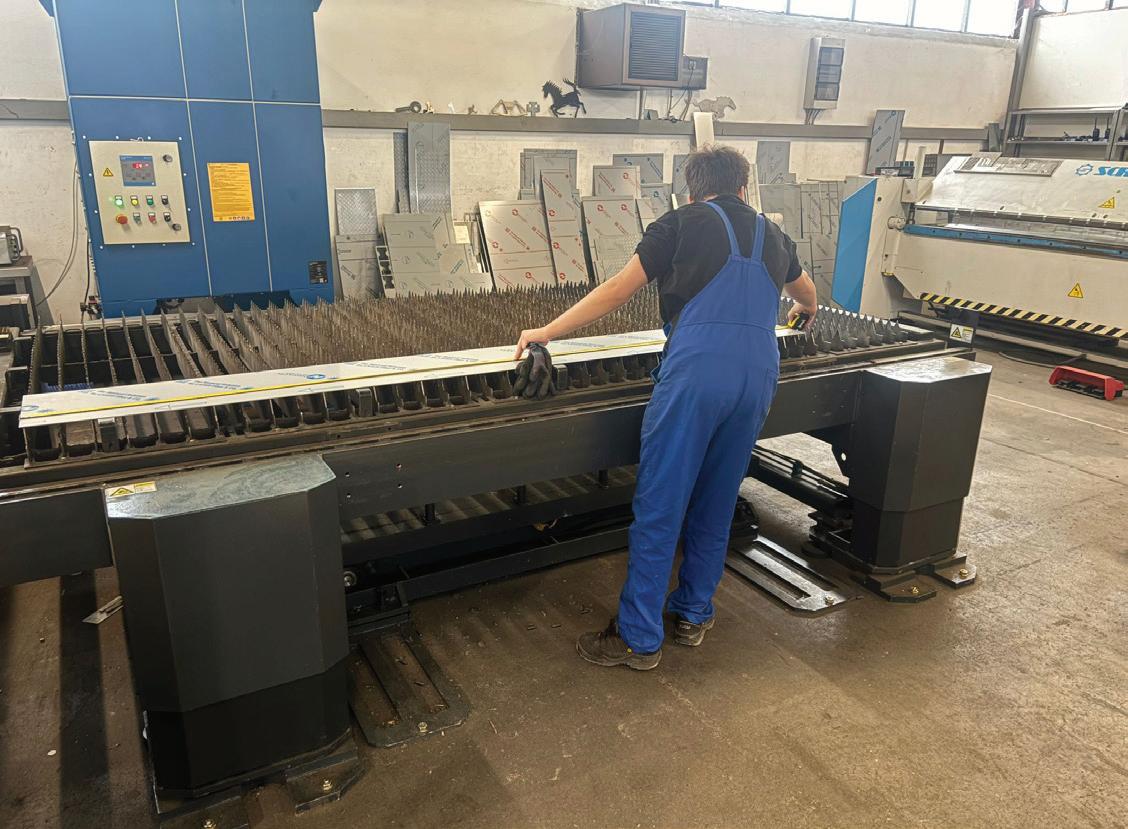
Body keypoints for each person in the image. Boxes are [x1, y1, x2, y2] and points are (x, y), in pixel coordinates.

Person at [514, 145, 818, 670]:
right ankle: (693, 614)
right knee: (717, 499)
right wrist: (804, 308)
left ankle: (638, 637)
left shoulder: (680, 223)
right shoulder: (773, 233)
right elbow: (806, 291)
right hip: (757, 378)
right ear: (743, 188)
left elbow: (618, 289)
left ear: (693, 191)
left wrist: (547, 330)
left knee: (662, 503)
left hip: (697, 375)